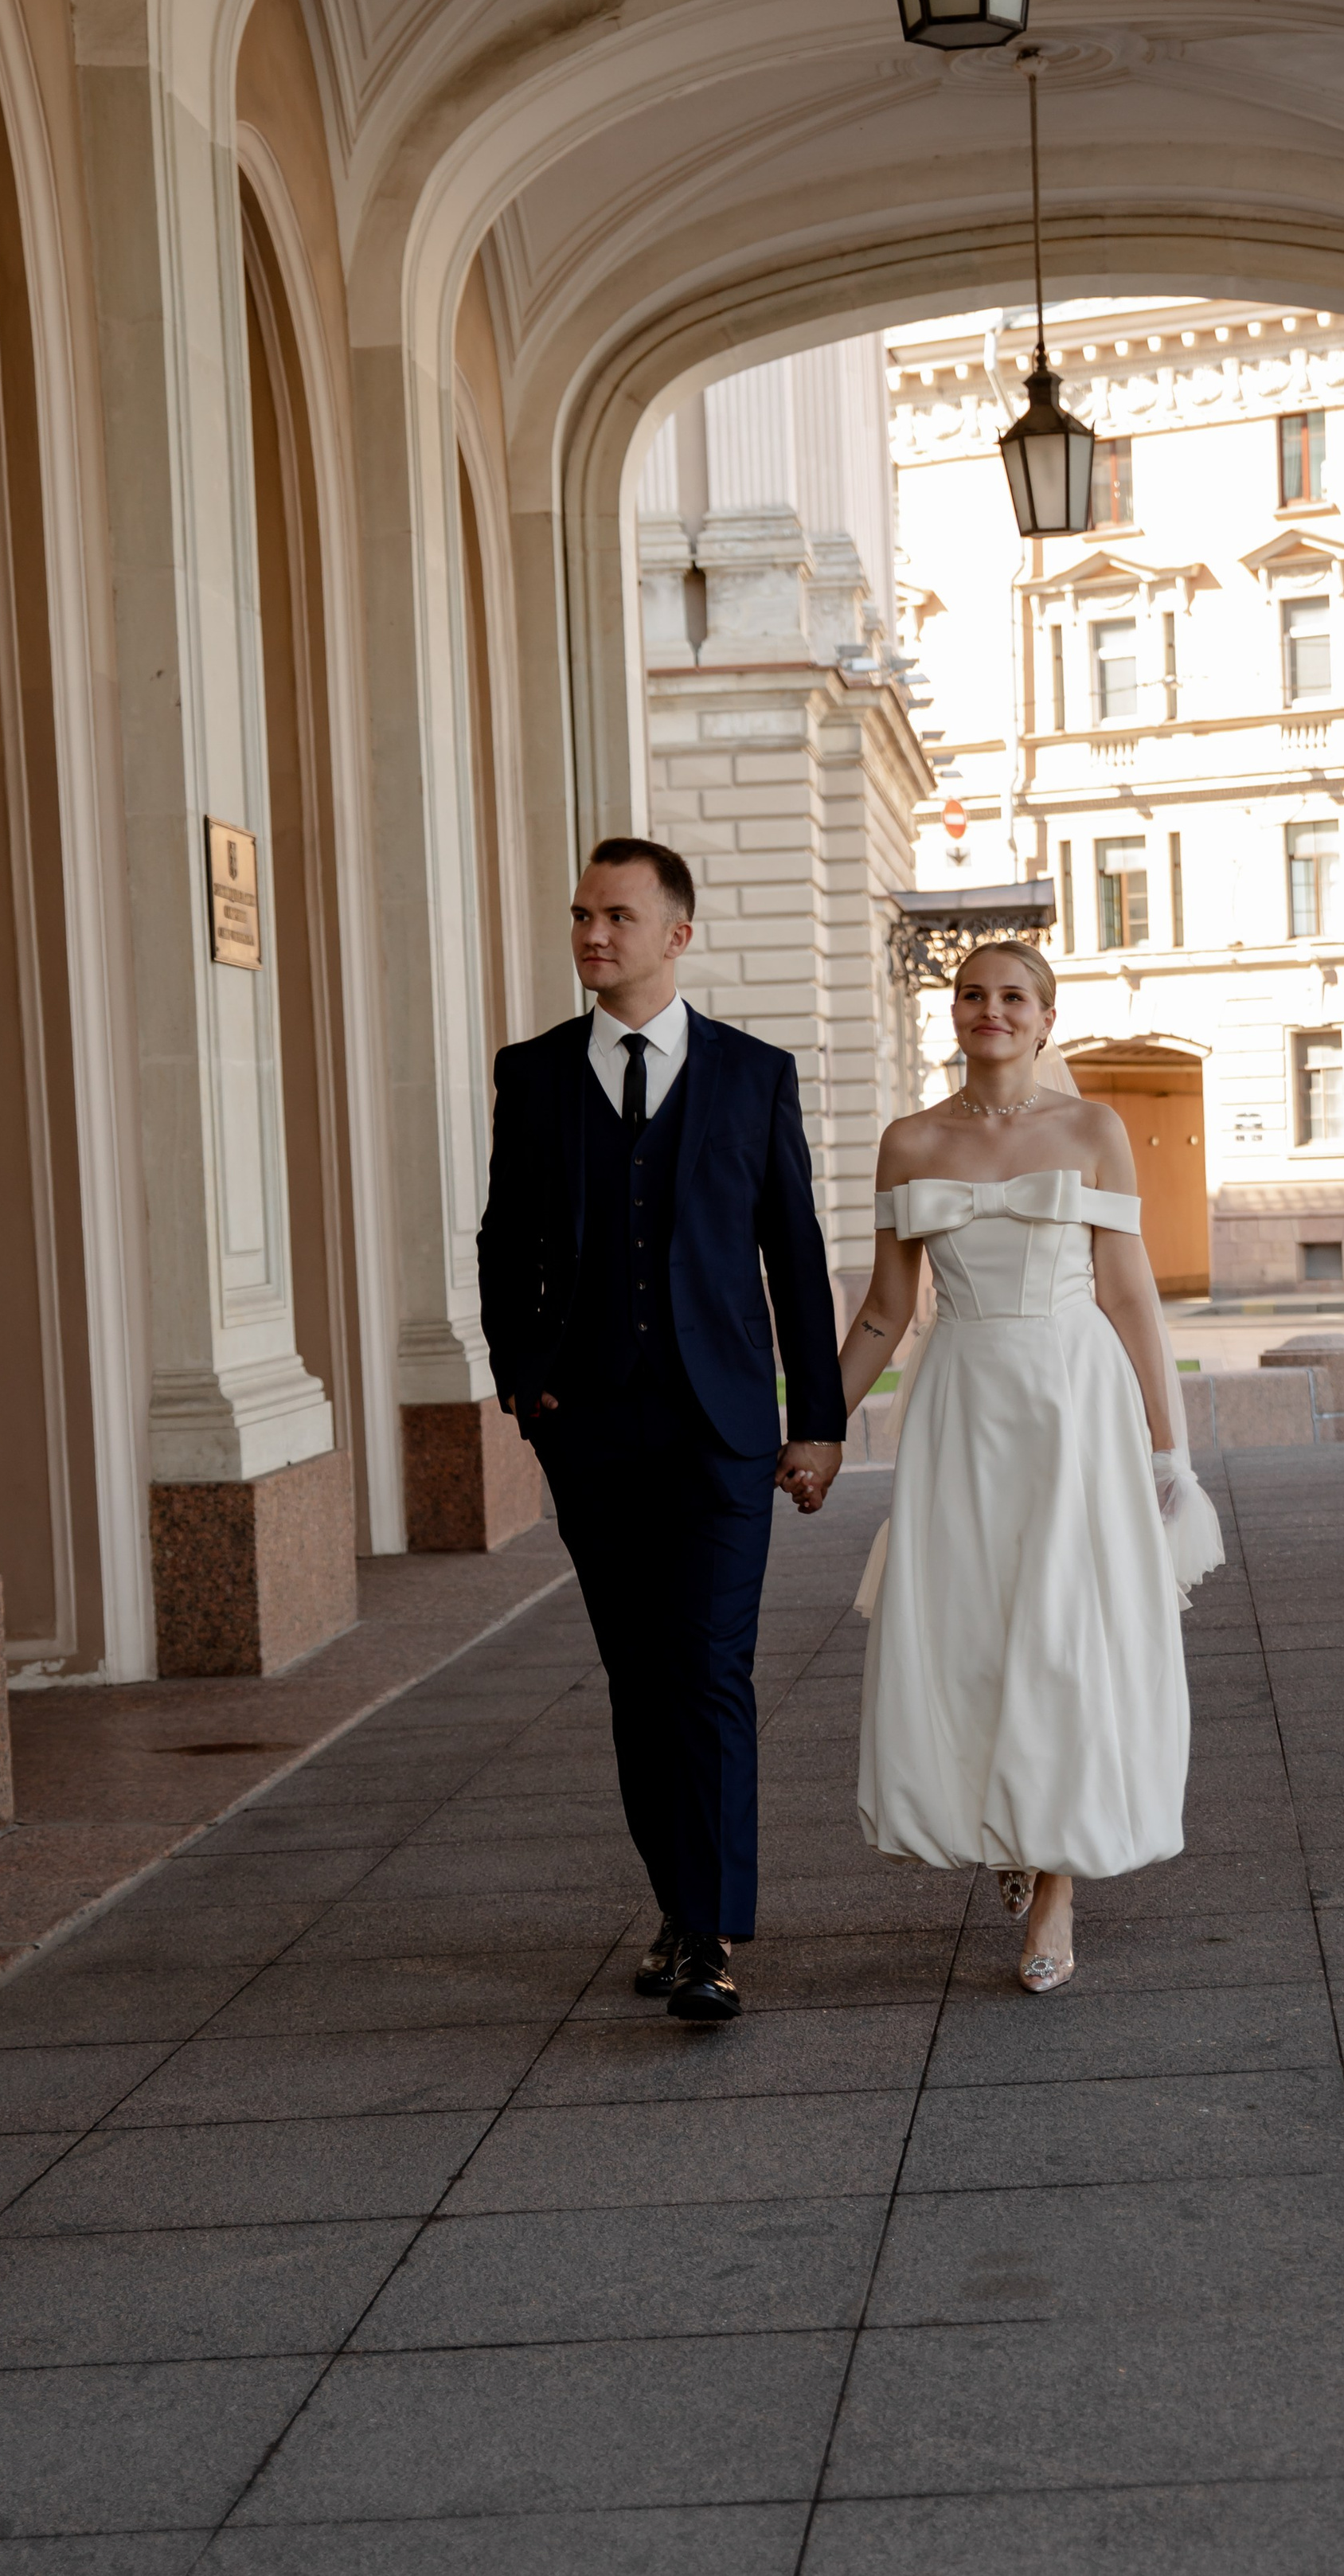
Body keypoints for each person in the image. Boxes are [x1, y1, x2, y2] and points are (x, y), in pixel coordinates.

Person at [476, 838, 846, 2023]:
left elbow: (795, 1255)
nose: (593, 933)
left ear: (677, 933)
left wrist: (820, 1420)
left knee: (709, 1667)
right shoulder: (532, 1076)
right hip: (589, 1430)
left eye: (619, 915)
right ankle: (681, 1906)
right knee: (641, 1677)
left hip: (723, 1427)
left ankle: (707, 1930)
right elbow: (503, 1243)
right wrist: (525, 1377)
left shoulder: (753, 1075)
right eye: (581, 913)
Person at [835, 941, 1197, 1992]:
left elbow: (1129, 1292)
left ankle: (1055, 1884)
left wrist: (1164, 1445)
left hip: (1073, 1401)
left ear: (1045, 1017)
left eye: (1011, 997)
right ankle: (1010, 1820)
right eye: (971, 994)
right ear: (951, 1013)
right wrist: (814, 1428)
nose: (989, 1010)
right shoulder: (908, 1142)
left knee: (1063, 1634)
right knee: (973, 1632)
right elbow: (883, 1310)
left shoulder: (1091, 1129)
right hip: (960, 1404)